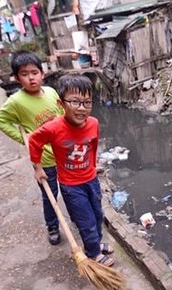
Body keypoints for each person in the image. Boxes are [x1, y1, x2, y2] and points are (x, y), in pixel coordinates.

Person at [28, 74, 115, 267]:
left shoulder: (94, 123)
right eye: (75, 102)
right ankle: (93, 253)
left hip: (91, 179)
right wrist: (38, 167)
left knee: (98, 214)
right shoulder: (53, 128)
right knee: (86, 221)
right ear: (61, 104)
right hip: (71, 185)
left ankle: (97, 243)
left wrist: (93, 165)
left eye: (86, 102)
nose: (81, 108)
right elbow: (34, 141)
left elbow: (93, 144)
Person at [0, 50, 65, 245]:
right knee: (49, 194)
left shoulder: (51, 92)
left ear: (42, 73)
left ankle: (76, 218)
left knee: (70, 190)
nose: (31, 78)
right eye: (24, 74)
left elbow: (63, 113)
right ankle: (52, 226)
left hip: (63, 152)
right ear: (16, 78)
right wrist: (24, 139)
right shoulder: (16, 101)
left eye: (34, 72)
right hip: (44, 158)